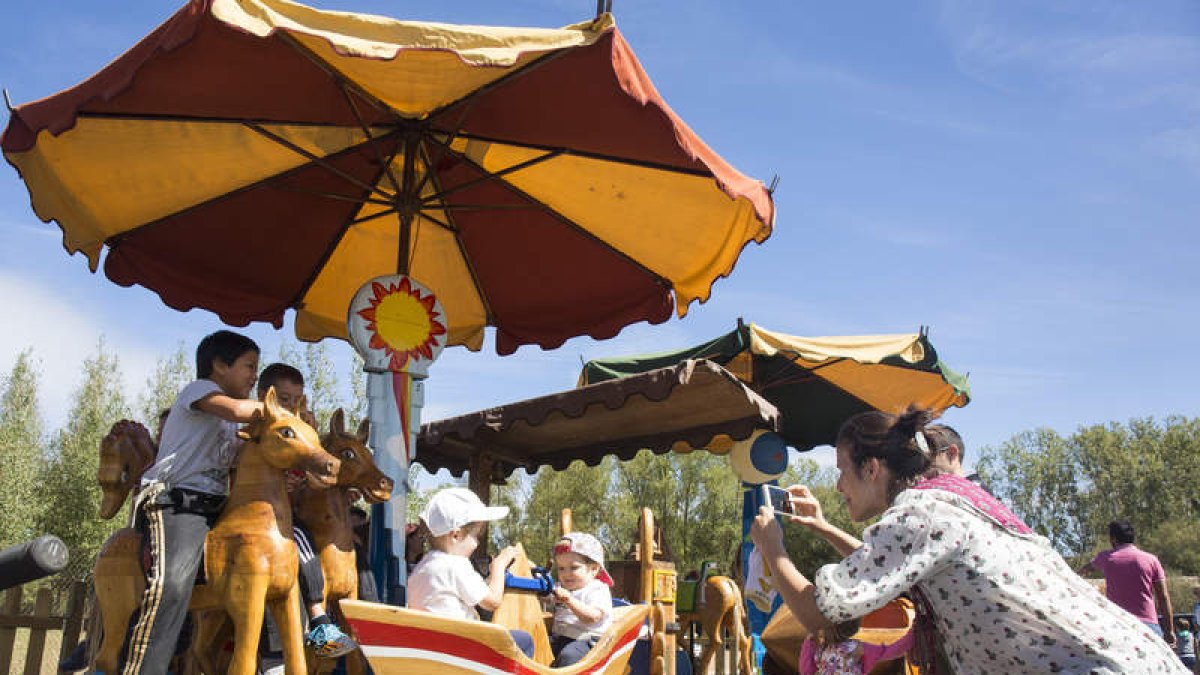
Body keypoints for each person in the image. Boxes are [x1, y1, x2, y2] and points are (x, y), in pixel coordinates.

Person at [749, 407, 1187, 674]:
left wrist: (774, 549)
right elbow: (895, 571)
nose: (839, 484)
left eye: (842, 469)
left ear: (872, 468)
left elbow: (816, 612)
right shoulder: (947, 500)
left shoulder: (917, 514)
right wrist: (823, 527)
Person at [116, 330, 264, 674]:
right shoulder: (200, 392)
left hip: (216, 507)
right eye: (249, 366)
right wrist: (279, 412)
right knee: (172, 586)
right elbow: (240, 410)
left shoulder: (233, 426)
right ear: (219, 366)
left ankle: (275, 657)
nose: (254, 375)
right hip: (178, 502)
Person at [255, 363, 357, 659]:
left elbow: (313, 480)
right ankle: (318, 619)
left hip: (293, 511)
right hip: (266, 514)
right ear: (267, 397)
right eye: (284, 399)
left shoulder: (302, 438)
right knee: (298, 539)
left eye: (297, 401)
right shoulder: (263, 431)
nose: (291, 407)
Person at [408, 488, 534, 659]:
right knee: (523, 640)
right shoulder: (456, 564)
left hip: (432, 646)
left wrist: (492, 577)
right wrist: (499, 566)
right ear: (456, 535)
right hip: (461, 647)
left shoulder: (424, 565)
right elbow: (492, 601)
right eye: (475, 536)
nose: (476, 543)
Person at [1084, 520, 1175, 644]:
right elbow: (1163, 597)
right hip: (1148, 625)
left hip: (1118, 623)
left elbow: (1085, 570)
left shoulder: (1106, 557)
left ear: (1113, 539)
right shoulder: (1151, 560)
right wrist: (1170, 630)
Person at [549, 532, 613, 666]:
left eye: (574, 568)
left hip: (588, 640)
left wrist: (569, 600)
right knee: (537, 643)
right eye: (561, 568)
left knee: (569, 656)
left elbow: (592, 617)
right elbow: (546, 597)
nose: (566, 574)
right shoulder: (561, 587)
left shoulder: (597, 589)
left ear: (594, 569)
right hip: (560, 637)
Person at [799, 618, 913, 675]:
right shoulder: (857, 647)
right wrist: (913, 633)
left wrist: (809, 642)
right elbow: (892, 651)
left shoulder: (822, 649)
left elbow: (806, 670)